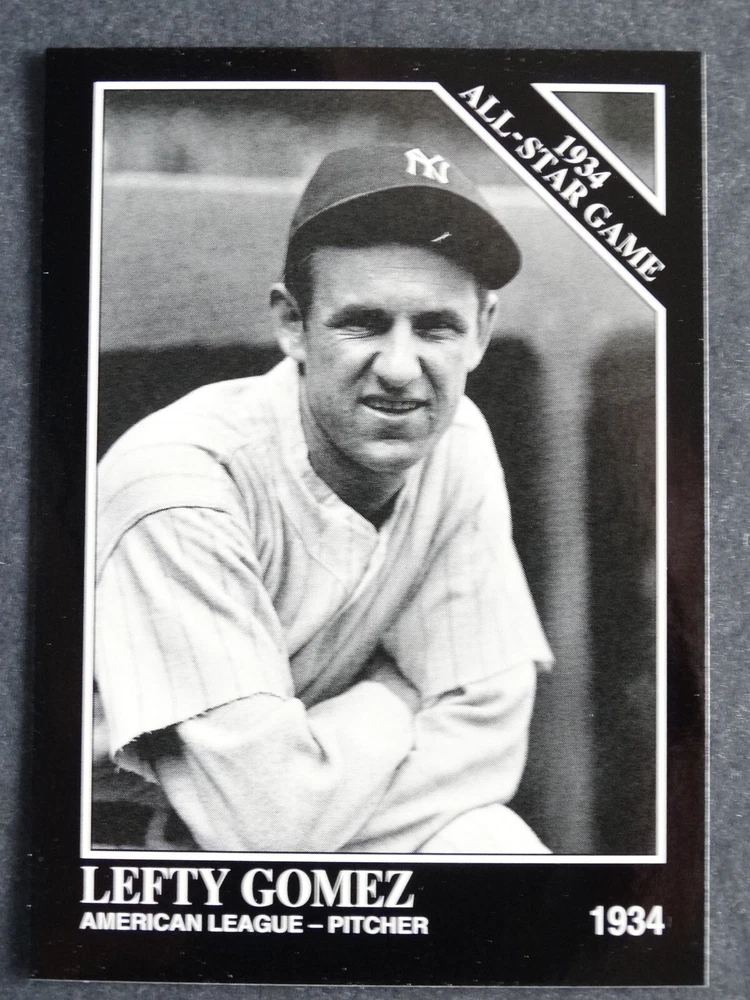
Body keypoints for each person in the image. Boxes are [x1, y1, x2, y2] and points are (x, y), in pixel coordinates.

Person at [93, 144, 553, 853]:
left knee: (490, 842)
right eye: (363, 322)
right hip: (103, 842)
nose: (400, 368)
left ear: (482, 332)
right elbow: (264, 829)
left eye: (436, 327)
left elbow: (490, 740)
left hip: (310, 809)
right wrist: (397, 696)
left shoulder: (455, 440)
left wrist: (305, 770)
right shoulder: (178, 484)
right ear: (292, 324)